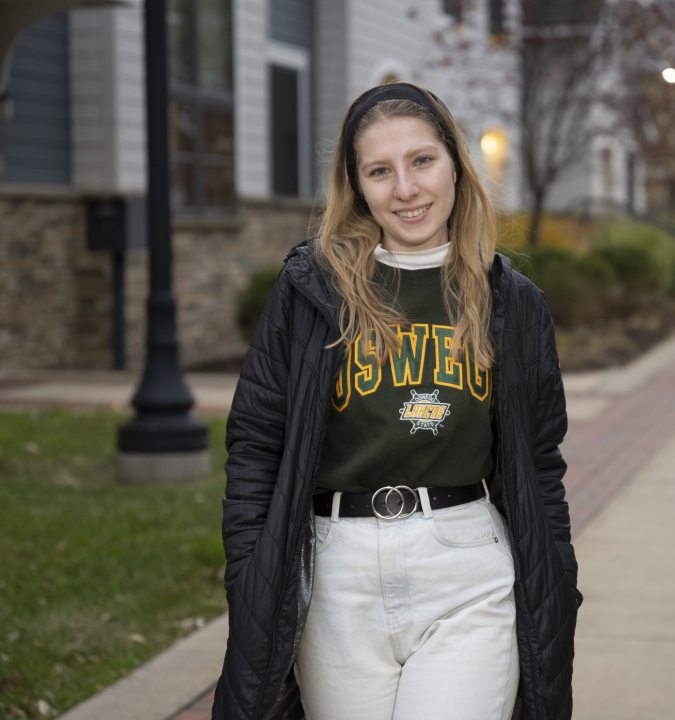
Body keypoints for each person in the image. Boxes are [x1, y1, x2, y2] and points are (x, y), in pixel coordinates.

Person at [212, 82, 581, 720]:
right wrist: (252, 578)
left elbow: (541, 459)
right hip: (335, 573)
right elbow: (255, 446)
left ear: (455, 167)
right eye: (380, 171)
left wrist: (556, 578)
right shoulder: (311, 293)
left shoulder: (513, 304)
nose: (406, 190)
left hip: (465, 566)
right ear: (356, 187)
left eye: (422, 161)